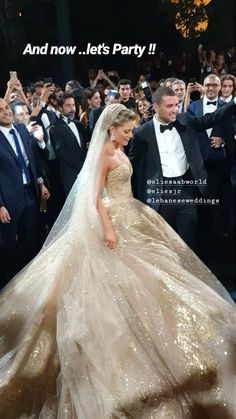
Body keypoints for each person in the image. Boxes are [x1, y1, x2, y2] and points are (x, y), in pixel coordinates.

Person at [0, 104, 235, 418]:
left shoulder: (120, 150)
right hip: (113, 221)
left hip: (133, 215)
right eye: (126, 131)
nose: (130, 136)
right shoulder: (103, 155)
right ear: (111, 128)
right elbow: (94, 196)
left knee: (159, 275)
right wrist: (108, 227)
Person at [129, 87, 235, 250]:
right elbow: (132, 164)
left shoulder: (185, 119)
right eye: (169, 106)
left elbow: (212, 118)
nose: (175, 110)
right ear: (156, 107)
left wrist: (233, 102)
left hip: (187, 190)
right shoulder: (142, 133)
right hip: (161, 194)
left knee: (188, 242)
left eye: (176, 105)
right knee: (164, 245)